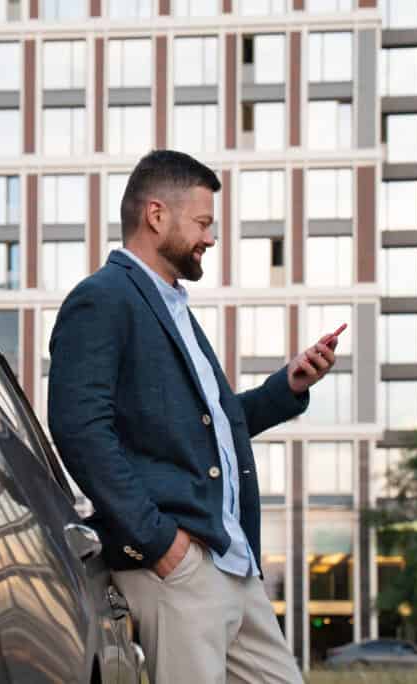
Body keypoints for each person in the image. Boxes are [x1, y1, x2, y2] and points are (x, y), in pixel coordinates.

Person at [47, 150, 343, 683]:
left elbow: (214, 431)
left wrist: (287, 387)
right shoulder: (103, 299)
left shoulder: (176, 307)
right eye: (203, 223)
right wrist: (159, 543)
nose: (211, 238)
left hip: (233, 562)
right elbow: (78, 427)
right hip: (179, 568)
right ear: (156, 215)